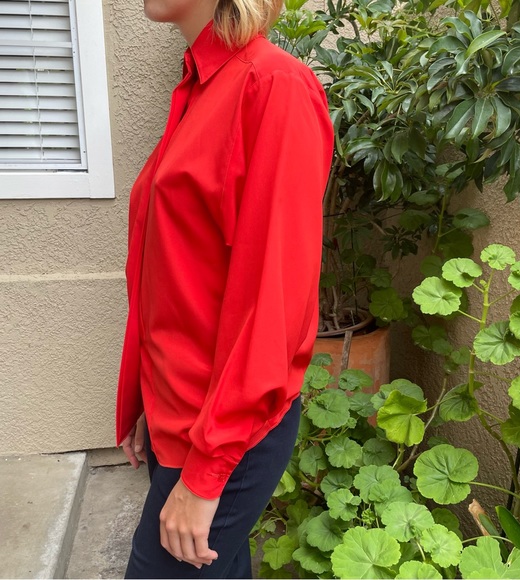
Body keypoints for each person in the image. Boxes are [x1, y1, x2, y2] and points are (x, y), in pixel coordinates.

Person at [115, 0, 334, 577]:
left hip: (225, 433)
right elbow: (178, 274)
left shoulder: (273, 86)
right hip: (182, 415)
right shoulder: (200, 87)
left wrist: (206, 473)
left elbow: (273, 303)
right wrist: (147, 398)